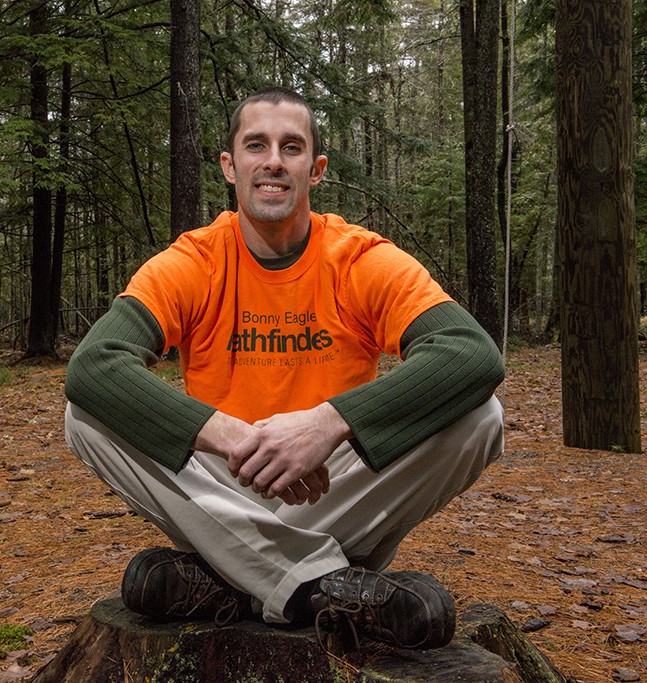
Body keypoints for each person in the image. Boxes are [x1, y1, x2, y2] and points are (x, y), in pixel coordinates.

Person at [63, 86, 504, 650]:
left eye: (291, 147)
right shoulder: (196, 260)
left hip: (330, 486)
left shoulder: (358, 258)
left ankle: (233, 580)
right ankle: (319, 587)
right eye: (257, 145)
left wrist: (326, 424)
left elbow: (470, 352)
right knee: (85, 416)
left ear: (316, 169)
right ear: (230, 166)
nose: (273, 161)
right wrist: (234, 436)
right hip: (223, 485)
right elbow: (95, 364)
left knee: (481, 416)